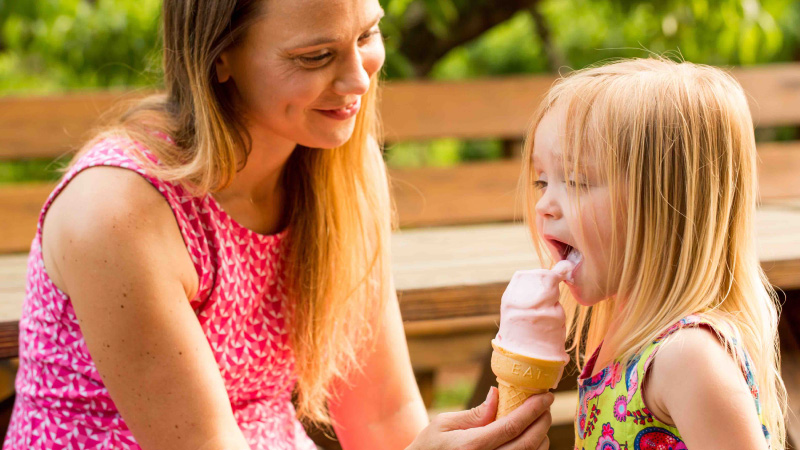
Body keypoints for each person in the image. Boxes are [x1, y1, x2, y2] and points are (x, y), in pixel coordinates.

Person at [1, 1, 554, 449]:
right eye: (315, 56)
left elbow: (384, 420)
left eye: (367, 35)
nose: (357, 79)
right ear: (221, 59)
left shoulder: (339, 173)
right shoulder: (118, 211)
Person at [520, 57, 787, 450]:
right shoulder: (621, 341)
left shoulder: (689, 358)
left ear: (664, 207)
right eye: (542, 180)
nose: (544, 204)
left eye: (576, 181)